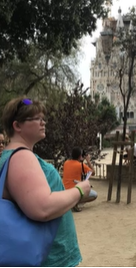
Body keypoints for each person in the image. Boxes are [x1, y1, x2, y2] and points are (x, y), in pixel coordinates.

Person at [0, 97, 91, 267]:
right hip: (47, 257)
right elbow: (43, 207)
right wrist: (80, 190)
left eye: (43, 118)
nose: (43, 123)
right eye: (37, 119)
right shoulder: (21, 156)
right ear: (17, 125)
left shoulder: (11, 156)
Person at [62, 147, 98, 212]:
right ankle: (75, 202)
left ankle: (71, 202)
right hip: (74, 190)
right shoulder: (81, 165)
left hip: (65, 189)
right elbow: (93, 173)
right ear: (80, 156)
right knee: (94, 195)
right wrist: (88, 161)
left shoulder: (66, 163)